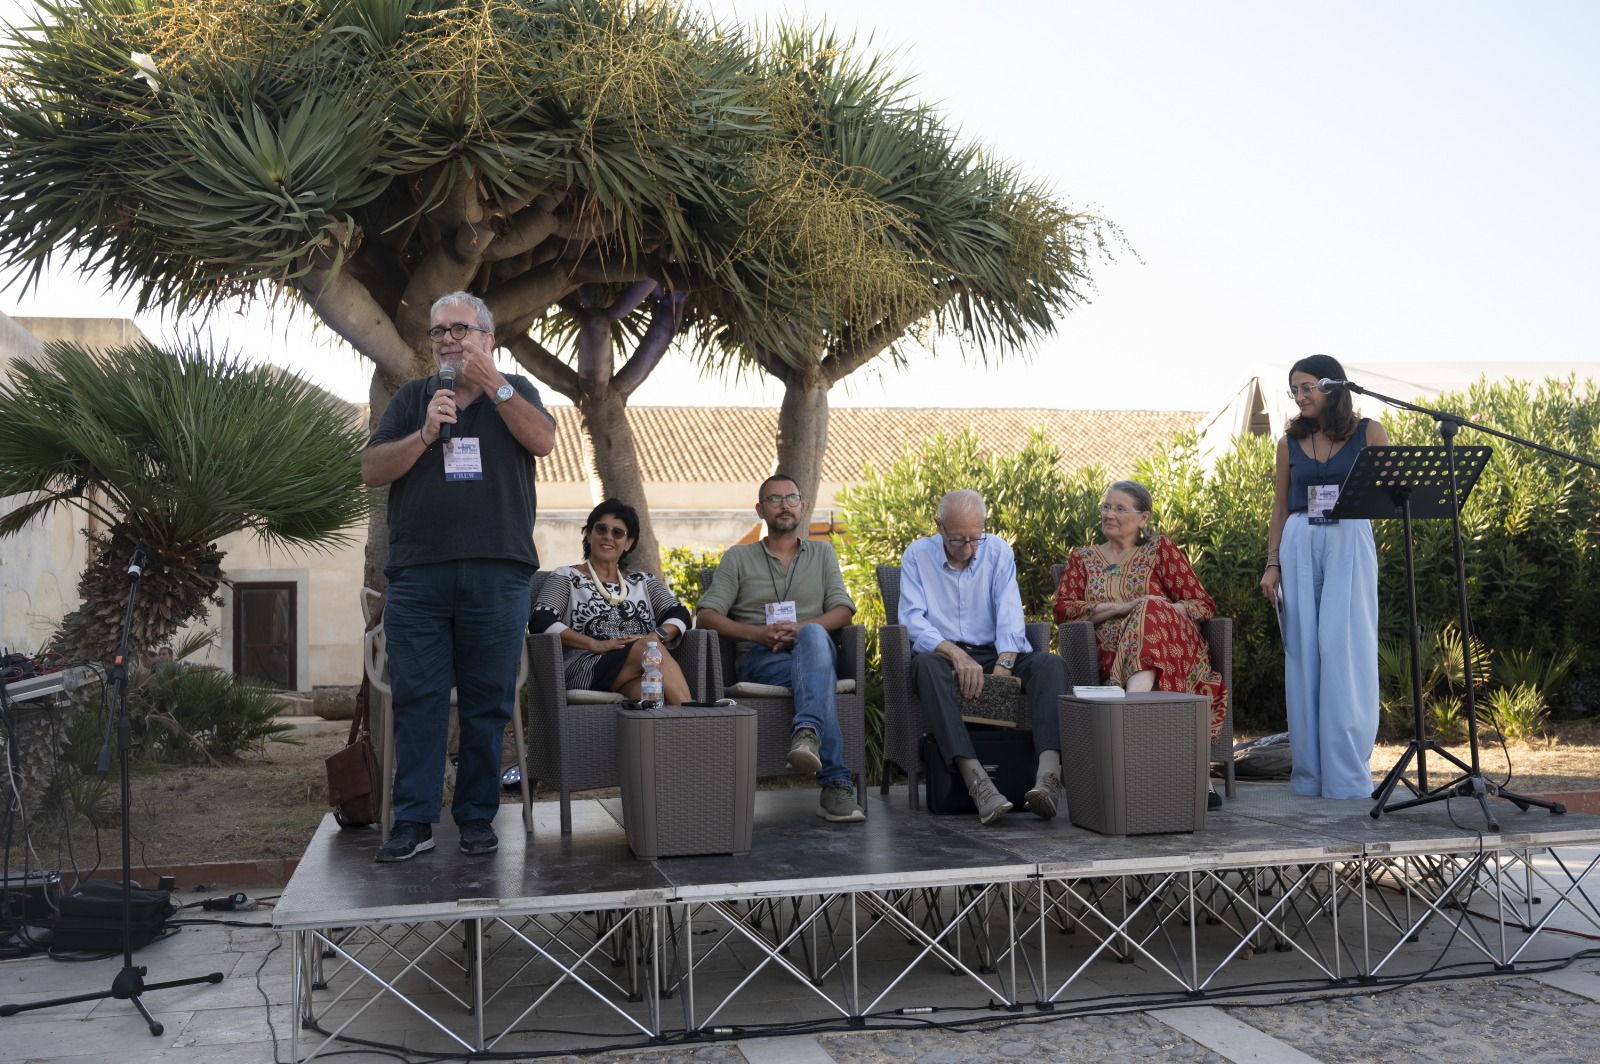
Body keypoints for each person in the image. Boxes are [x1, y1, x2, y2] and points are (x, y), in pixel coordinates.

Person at [361, 290, 557, 861]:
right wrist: (424, 434)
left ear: (487, 339)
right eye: (438, 331)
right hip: (420, 578)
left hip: (499, 575)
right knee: (417, 699)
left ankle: (475, 816)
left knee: (487, 700)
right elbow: (372, 470)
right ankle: (414, 823)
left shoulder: (516, 391)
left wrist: (495, 386)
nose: (447, 339)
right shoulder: (413, 399)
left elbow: (543, 440)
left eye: (460, 330)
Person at [695, 474, 866, 823]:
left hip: (816, 652)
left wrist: (802, 629)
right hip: (762, 658)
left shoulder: (822, 552)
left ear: (802, 506)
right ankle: (835, 783)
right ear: (760, 509)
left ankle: (807, 733)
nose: (784, 504)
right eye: (774, 499)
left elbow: (844, 610)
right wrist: (757, 634)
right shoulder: (738, 557)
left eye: (791, 498)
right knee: (818, 677)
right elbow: (706, 616)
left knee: (815, 637)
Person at [1260, 354, 1389, 799]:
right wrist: (1271, 563)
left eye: (1307, 387)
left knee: (1344, 647)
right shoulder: (1289, 441)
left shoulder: (1368, 431)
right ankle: (1310, 775)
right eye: (1294, 389)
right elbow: (1280, 505)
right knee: (1303, 654)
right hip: (1298, 538)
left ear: (1333, 386)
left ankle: (1347, 777)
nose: (1299, 396)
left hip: (1349, 537)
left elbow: (1391, 493)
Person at [900, 490, 1069, 826]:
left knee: (1050, 665)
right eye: (958, 539)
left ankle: (1048, 779)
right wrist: (955, 654)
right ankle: (977, 782)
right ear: (939, 527)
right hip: (943, 653)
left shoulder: (998, 550)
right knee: (924, 666)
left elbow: (1009, 613)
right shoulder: (918, 555)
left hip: (994, 652)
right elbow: (912, 620)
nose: (968, 548)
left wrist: (1004, 664)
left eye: (975, 538)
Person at [1052, 480, 1228, 744]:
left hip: (1171, 647)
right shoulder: (1083, 558)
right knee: (1146, 612)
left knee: (1150, 606)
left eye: (1120, 509)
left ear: (1143, 518)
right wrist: (1120, 608)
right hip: (1108, 653)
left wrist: (1158, 610)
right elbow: (1062, 609)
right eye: (1107, 507)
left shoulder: (1160, 550)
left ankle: (1131, 715)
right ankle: (1147, 733)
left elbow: (1202, 603)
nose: (1109, 514)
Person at [530, 499, 694, 704]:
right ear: (589, 535)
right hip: (586, 665)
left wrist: (655, 635)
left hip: (640, 666)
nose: (608, 536)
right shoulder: (566, 576)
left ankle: (670, 731)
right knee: (649, 648)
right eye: (601, 529)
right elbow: (540, 620)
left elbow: (679, 613)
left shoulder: (643, 581)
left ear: (628, 543)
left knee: (652, 695)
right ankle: (693, 715)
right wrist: (594, 643)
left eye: (618, 533)